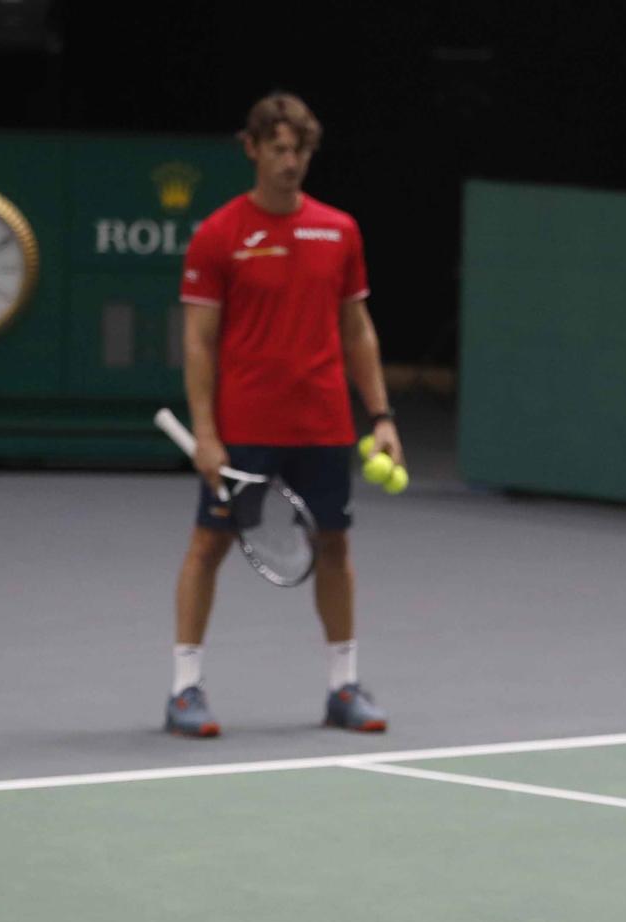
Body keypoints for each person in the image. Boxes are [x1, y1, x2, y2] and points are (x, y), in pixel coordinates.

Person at [166, 90, 403, 738]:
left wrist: (379, 414)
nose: (289, 162)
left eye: (299, 150)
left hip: (322, 423)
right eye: (277, 149)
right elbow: (198, 341)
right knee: (208, 545)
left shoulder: (340, 230)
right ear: (252, 149)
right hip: (244, 427)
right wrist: (207, 432)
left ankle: (343, 686)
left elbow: (356, 329)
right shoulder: (219, 236)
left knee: (334, 545)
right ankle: (184, 690)